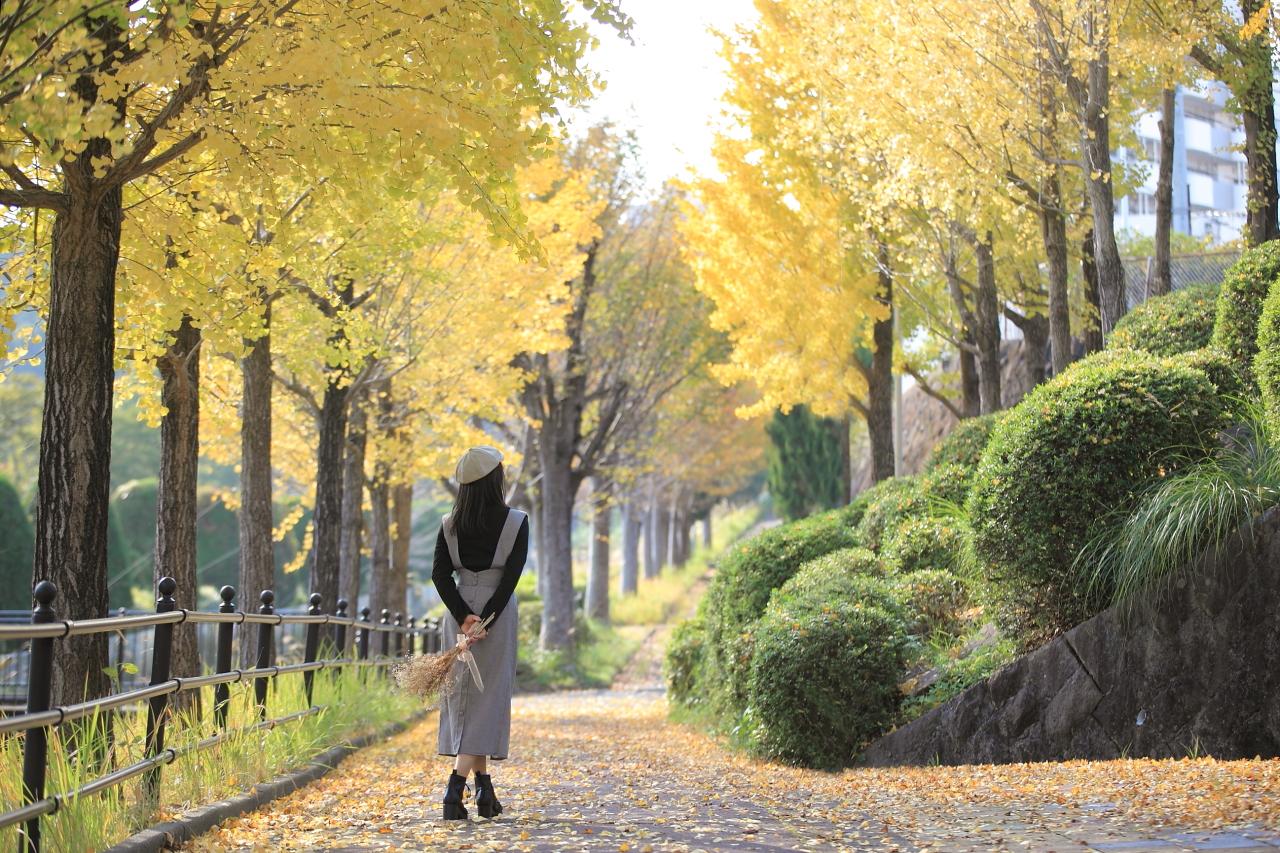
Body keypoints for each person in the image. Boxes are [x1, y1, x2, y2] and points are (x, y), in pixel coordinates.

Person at [432, 445, 528, 821]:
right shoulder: (516, 521)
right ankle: (454, 791)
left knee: (466, 700)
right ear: (495, 480)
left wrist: (463, 617)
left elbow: (440, 575)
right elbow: (510, 578)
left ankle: (485, 790)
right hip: (497, 615)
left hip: (457, 614)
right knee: (486, 701)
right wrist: (485, 619)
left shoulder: (448, 523)